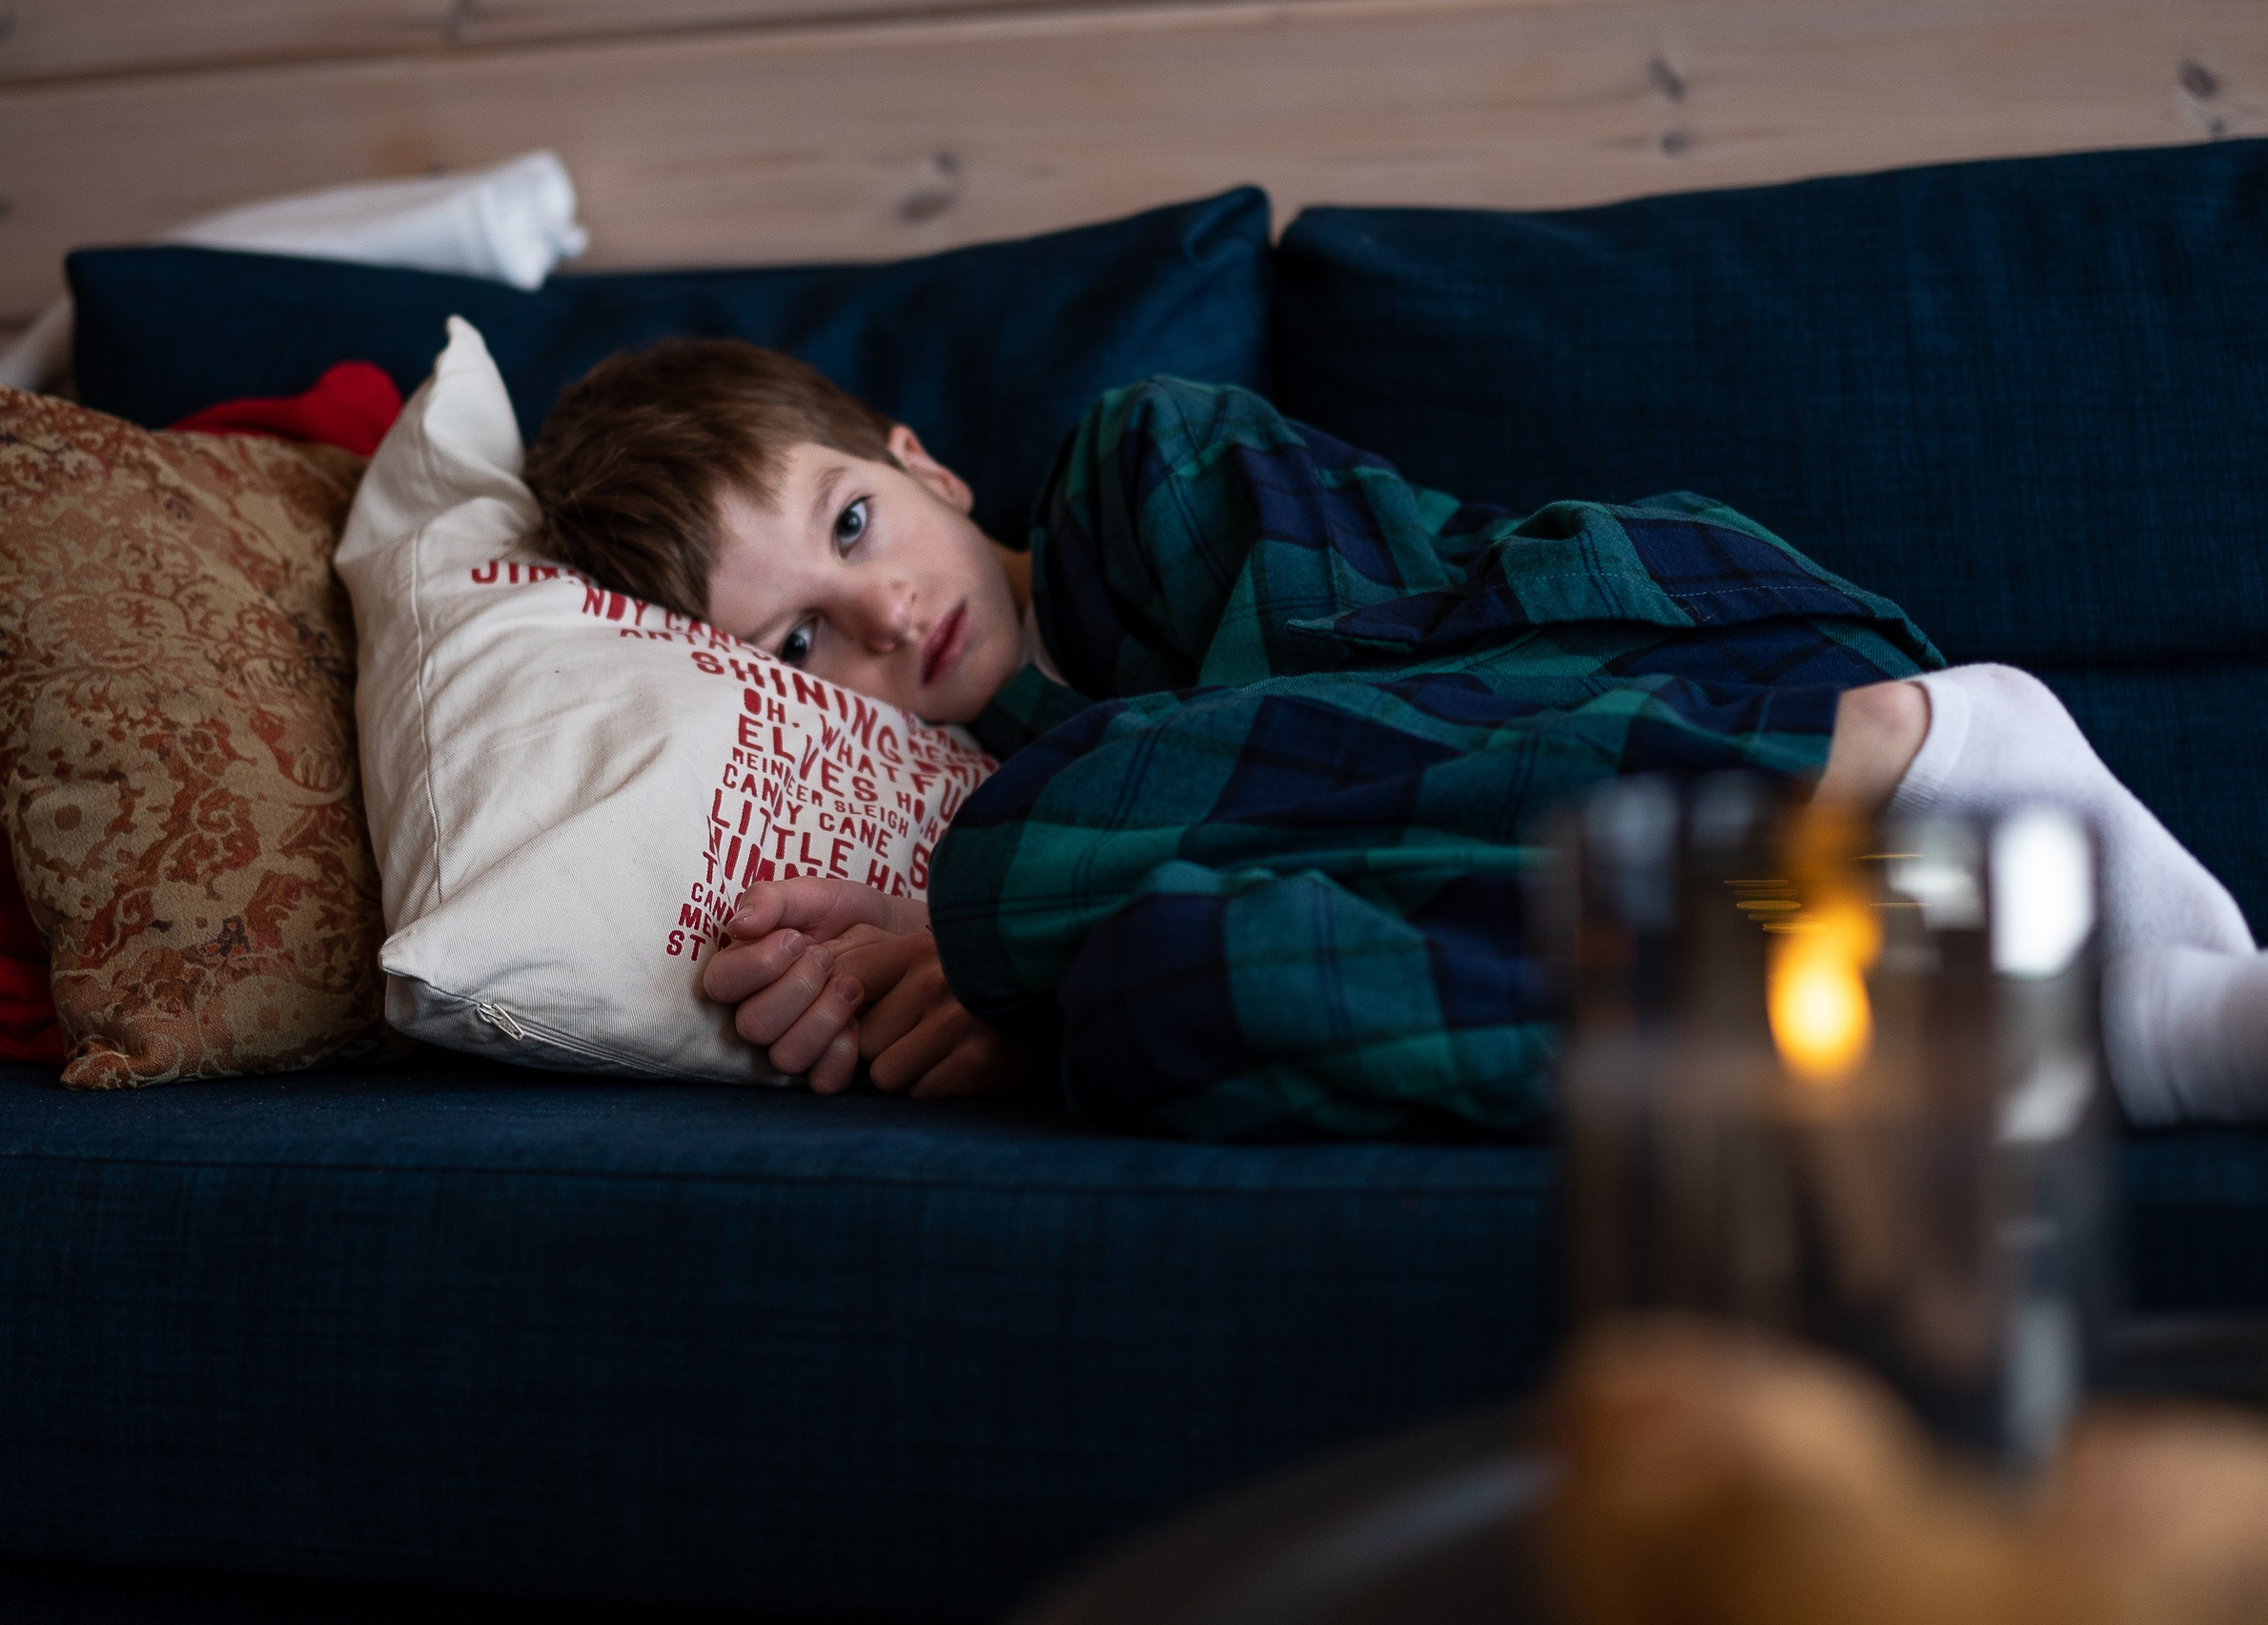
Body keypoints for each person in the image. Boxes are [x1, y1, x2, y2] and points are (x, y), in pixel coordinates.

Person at [524, 338, 2266, 1138]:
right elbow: (1343, 863)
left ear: (926, 465)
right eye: (800, 646)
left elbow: (1347, 726)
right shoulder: (984, 795)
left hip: (1692, 674)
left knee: (1038, 875)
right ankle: (2034, 1025)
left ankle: (1947, 760)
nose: (886, 612)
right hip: (1702, 883)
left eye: (851, 526)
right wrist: (1042, 992)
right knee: (1161, 996)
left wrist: (980, 928)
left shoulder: (1142, 468)